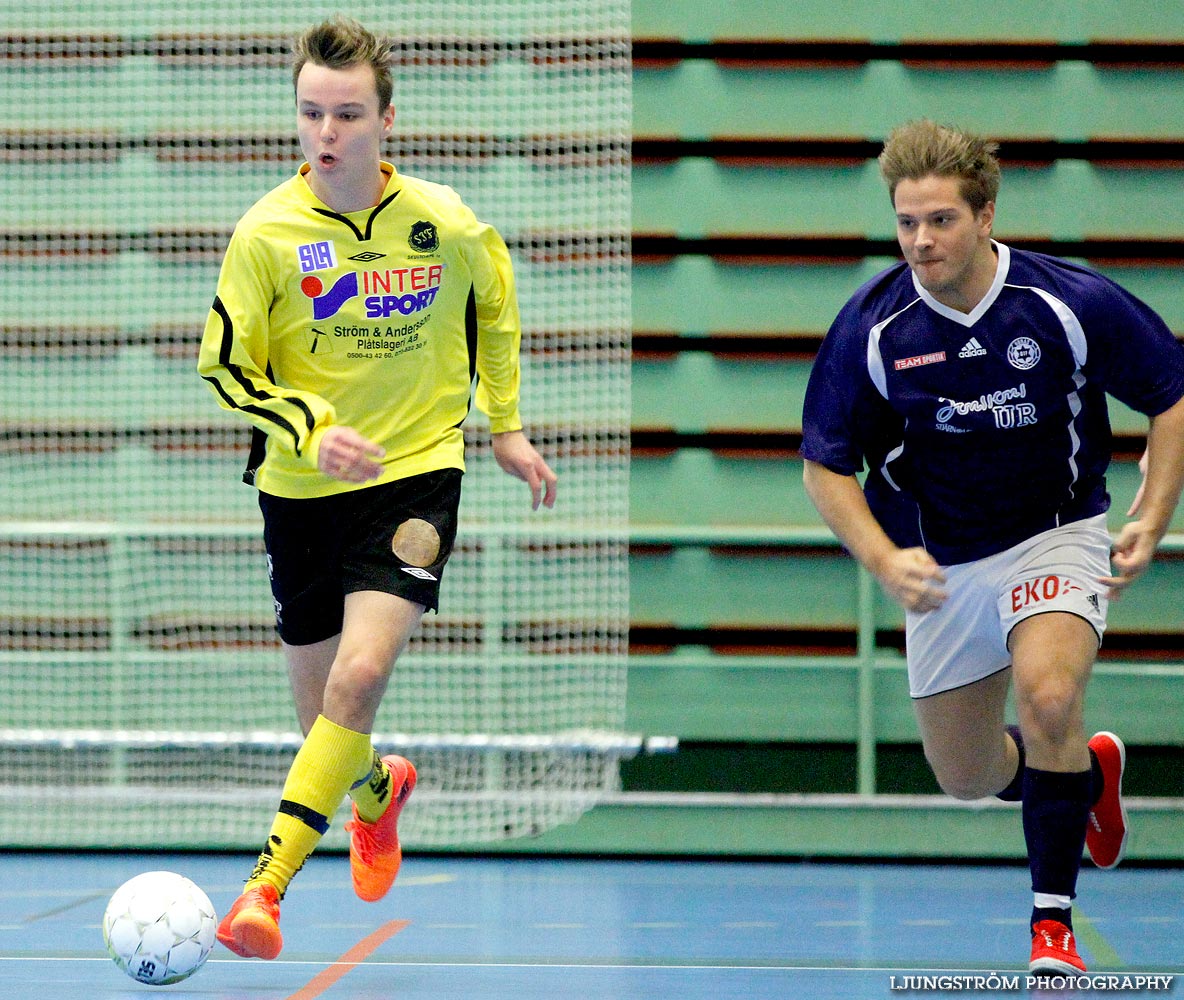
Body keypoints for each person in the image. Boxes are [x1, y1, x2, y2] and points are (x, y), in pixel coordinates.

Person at [197, 15, 557, 960]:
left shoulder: (444, 222)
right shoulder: (265, 233)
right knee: (327, 720)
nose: (326, 134)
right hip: (299, 489)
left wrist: (505, 424)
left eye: (347, 114)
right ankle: (375, 790)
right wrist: (312, 430)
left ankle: (263, 892)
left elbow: (495, 297)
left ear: (386, 119)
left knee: (361, 677)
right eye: (311, 113)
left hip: (417, 470)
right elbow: (225, 369)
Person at [801, 119, 1184, 975]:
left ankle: (1052, 927)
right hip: (939, 563)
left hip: (1057, 534)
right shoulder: (873, 326)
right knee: (966, 776)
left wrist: (1152, 519)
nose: (922, 240)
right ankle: (1084, 778)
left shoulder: (1064, 302)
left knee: (1048, 700)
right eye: (907, 222)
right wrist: (882, 558)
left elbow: (1172, 391)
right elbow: (825, 466)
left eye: (940, 220)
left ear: (985, 215)